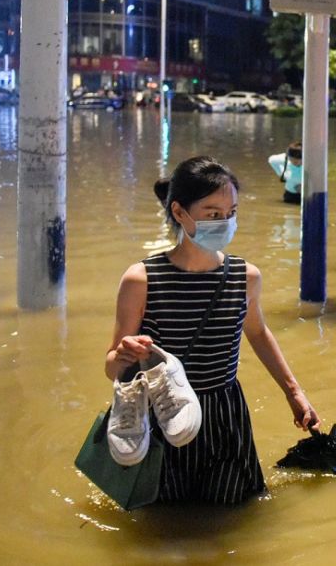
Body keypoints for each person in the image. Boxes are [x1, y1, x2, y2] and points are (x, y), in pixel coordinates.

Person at [105, 155, 319, 504]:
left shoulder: (245, 276)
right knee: (166, 521)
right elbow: (112, 368)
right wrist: (124, 355)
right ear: (179, 212)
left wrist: (294, 393)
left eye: (231, 213)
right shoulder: (141, 280)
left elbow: (259, 333)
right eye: (213, 214)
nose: (225, 222)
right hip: (164, 416)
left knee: (231, 513)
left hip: (225, 416)